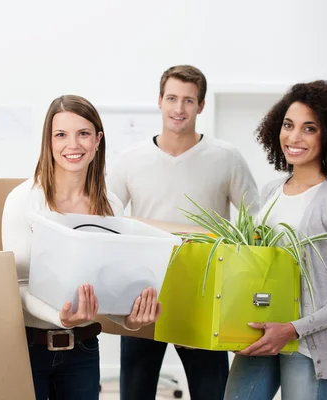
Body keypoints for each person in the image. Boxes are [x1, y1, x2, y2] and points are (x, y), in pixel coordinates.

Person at [107, 65, 258, 400]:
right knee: (135, 391)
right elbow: (109, 219)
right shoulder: (130, 159)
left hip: (204, 294)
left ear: (201, 106)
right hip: (143, 293)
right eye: (172, 98)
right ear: (159, 101)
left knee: (210, 391)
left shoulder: (226, 158)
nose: (179, 108)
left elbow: (254, 223)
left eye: (188, 100)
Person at [1, 95, 161, 400]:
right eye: (61, 135)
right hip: (27, 348)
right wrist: (61, 318)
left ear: (98, 140)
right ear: (48, 142)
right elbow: (17, 285)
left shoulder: (110, 205)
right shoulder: (22, 200)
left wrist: (129, 317)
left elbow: (108, 289)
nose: (72, 145)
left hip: (84, 349)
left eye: (83, 134)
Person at [224, 80, 327, 400]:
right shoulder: (272, 191)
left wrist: (292, 329)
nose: (294, 137)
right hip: (261, 334)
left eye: (309, 128)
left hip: (307, 343)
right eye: (288, 125)